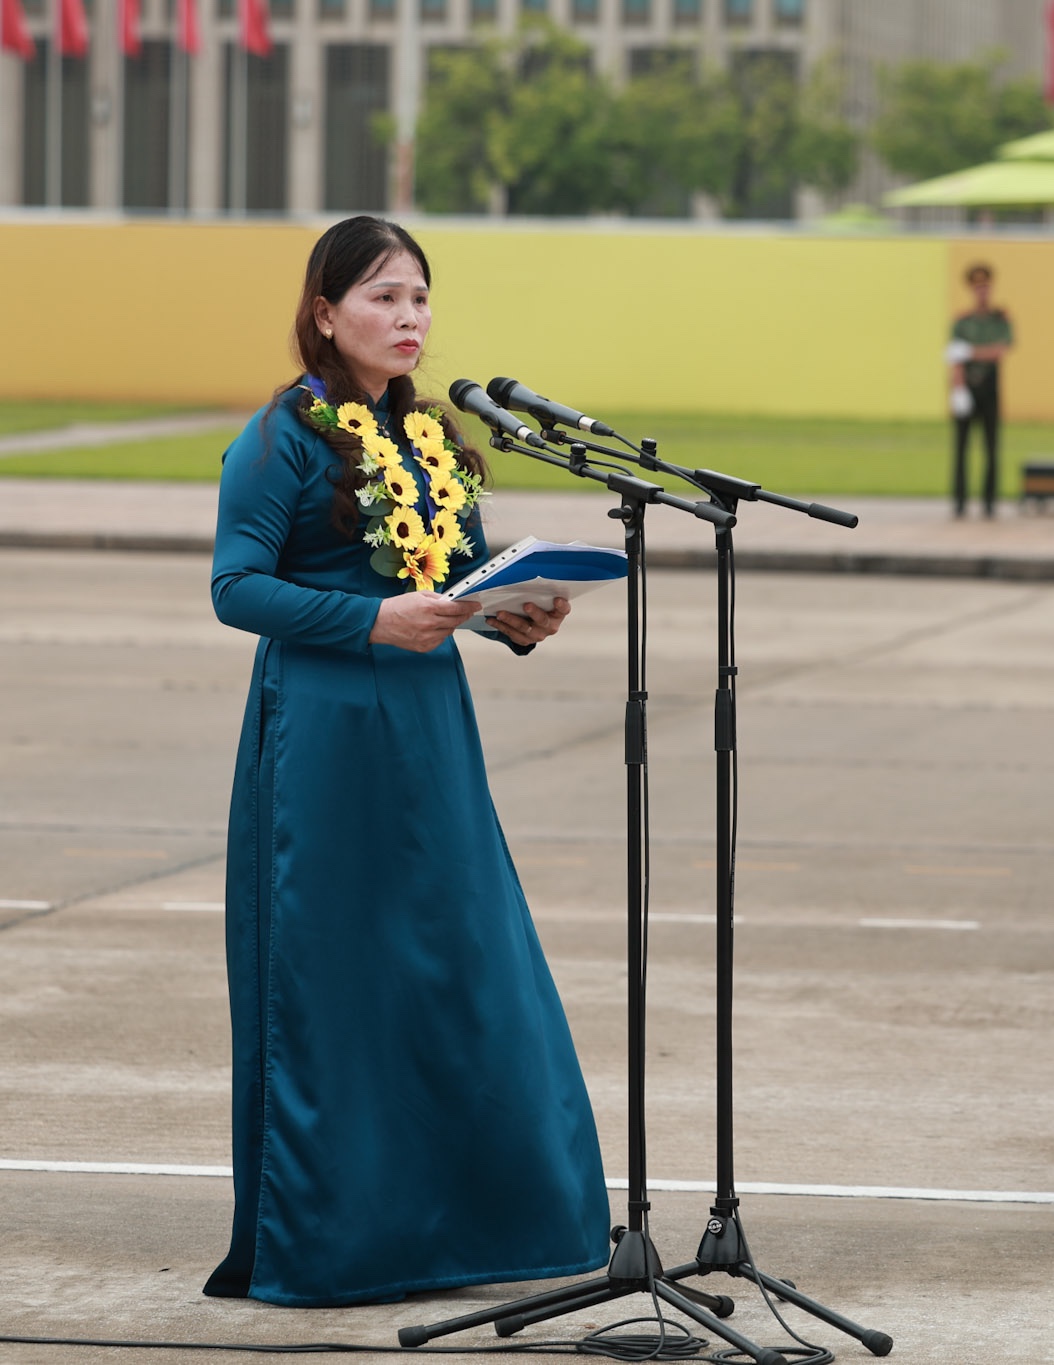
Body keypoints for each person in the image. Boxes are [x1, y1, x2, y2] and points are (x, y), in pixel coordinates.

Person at [204, 217, 608, 1306]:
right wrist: (372, 622)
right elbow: (235, 588)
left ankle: (483, 1226)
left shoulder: (429, 438)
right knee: (341, 975)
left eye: (421, 298)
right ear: (325, 312)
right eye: (384, 297)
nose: (410, 317)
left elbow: (457, 578)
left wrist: (509, 616)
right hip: (325, 731)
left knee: (457, 958)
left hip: (430, 727)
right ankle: (347, 1239)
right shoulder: (281, 437)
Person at [948, 262, 1013, 519]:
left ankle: (989, 502)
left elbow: (1000, 350)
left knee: (991, 446)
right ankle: (960, 501)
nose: (982, 292)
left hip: (990, 386)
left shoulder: (1000, 320)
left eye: (985, 286)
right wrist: (958, 390)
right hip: (968, 386)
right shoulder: (963, 321)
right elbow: (954, 357)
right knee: (961, 447)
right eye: (978, 287)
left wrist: (971, 351)